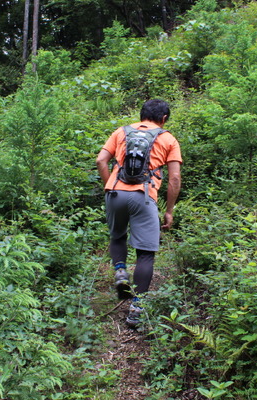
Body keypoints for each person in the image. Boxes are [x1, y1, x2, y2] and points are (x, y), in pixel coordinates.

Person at [96, 99, 182, 327]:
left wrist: (110, 186)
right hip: (144, 197)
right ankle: (136, 308)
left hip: (115, 192)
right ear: (163, 119)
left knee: (117, 236)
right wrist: (169, 211)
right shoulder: (168, 138)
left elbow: (101, 160)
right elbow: (174, 178)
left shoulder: (121, 132)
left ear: (141, 114)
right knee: (145, 253)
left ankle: (121, 271)